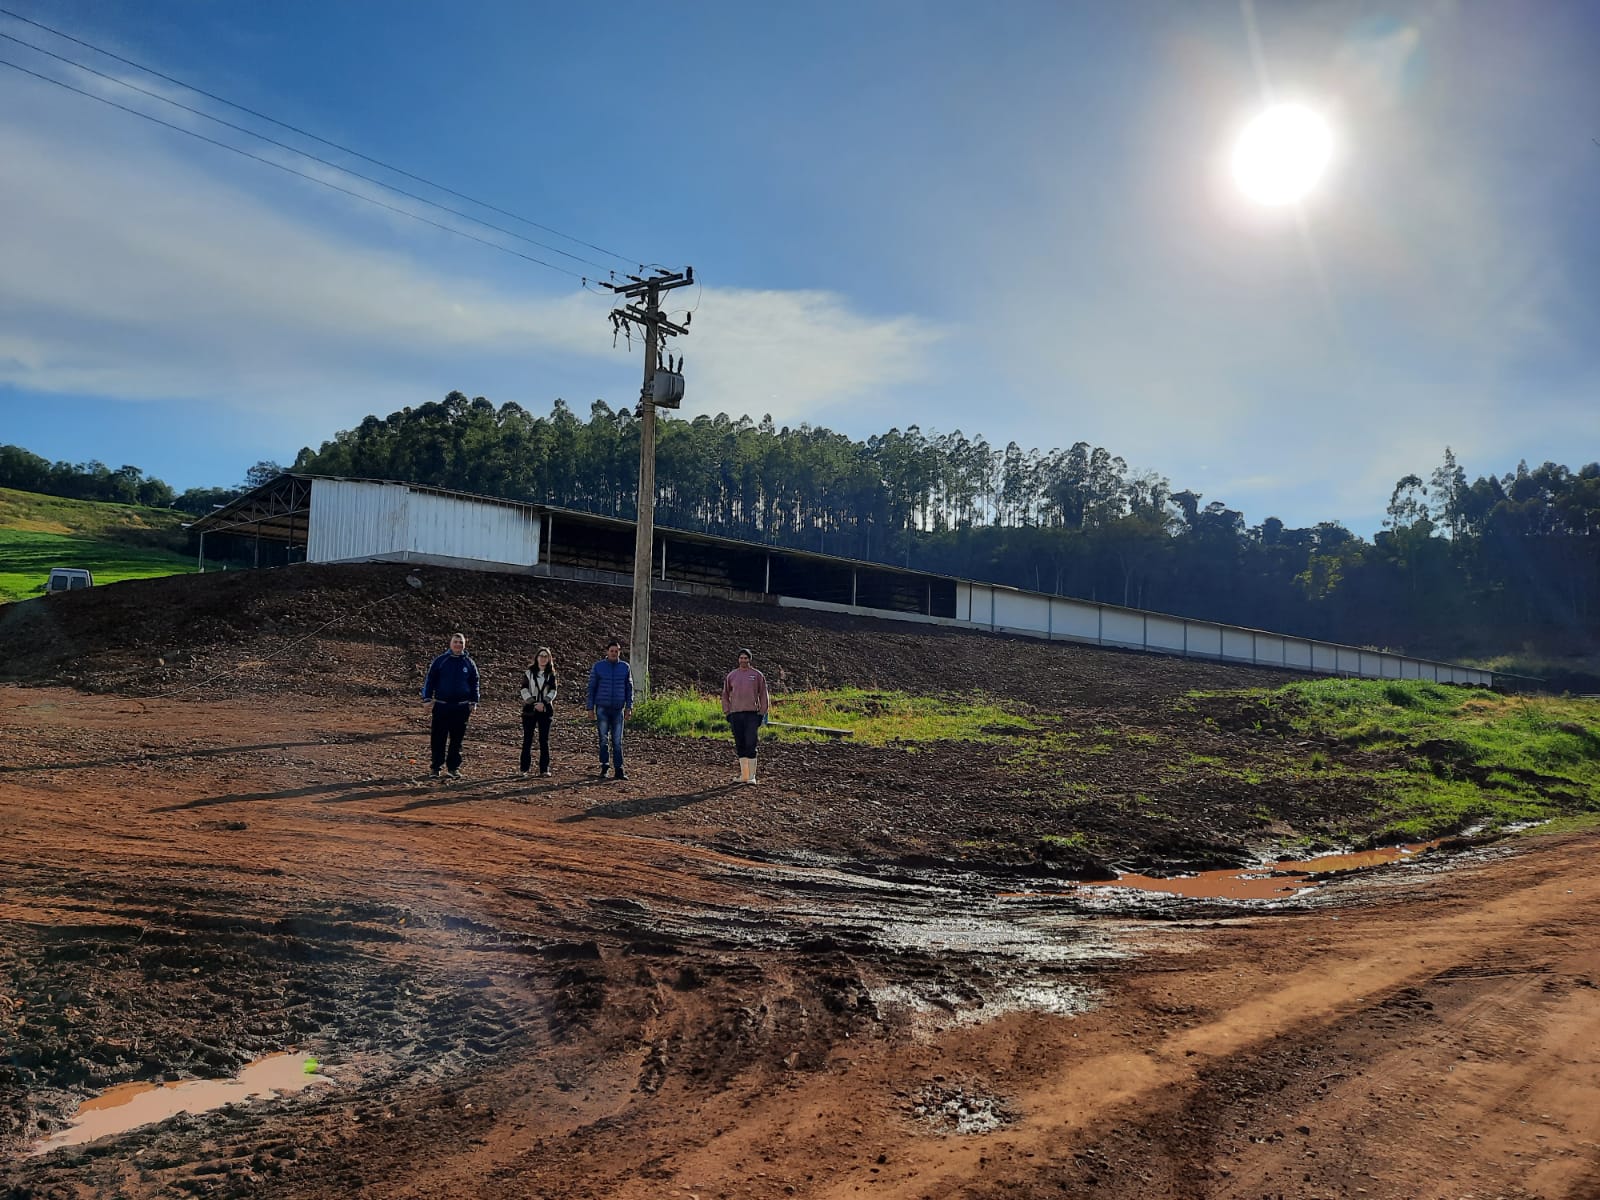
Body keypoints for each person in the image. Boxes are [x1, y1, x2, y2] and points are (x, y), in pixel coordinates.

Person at [422, 632, 479, 779]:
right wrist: (427, 698)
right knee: (438, 737)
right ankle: (436, 767)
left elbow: (475, 682)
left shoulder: (469, 663)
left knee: (457, 739)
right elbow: (430, 680)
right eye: (456, 642)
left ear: (464, 645)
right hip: (442, 705)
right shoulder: (441, 661)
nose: (458, 645)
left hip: (461, 707)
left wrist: (474, 701)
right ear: (450, 643)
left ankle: (453, 768)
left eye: (461, 642)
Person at [584, 638, 634, 780]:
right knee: (603, 739)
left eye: (616, 651)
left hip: (618, 709)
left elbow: (629, 688)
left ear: (619, 652)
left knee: (617, 741)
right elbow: (592, 688)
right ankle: (605, 767)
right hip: (602, 708)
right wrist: (590, 708)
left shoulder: (625, 667)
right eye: (611, 651)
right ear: (607, 652)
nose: (614, 653)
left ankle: (619, 769)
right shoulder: (598, 667)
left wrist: (629, 706)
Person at [721, 647, 770, 784]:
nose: (743, 660)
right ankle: (744, 775)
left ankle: (752, 776)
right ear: (738, 659)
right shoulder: (731, 676)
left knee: (751, 743)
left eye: (746, 658)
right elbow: (725, 695)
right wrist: (727, 712)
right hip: (736, 714)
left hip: (751, 715)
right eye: (741, 658)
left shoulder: (757, 675)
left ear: (750, 659)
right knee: (740, 744)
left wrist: (761, 713)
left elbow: (764, 695)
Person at [519, 647, 559, 778]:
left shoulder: (551, 674)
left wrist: (544, 702)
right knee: (528, 739)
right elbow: (524, 689)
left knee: (544, 740)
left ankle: (544, 768)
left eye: (546, 656)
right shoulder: (529, 673)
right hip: (530, 710)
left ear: (549, 659)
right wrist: (533, 702)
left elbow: (553, 691)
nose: (543, 658)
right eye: (541, 656)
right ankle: (524, 768)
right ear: (536, 658)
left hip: (545, 709)